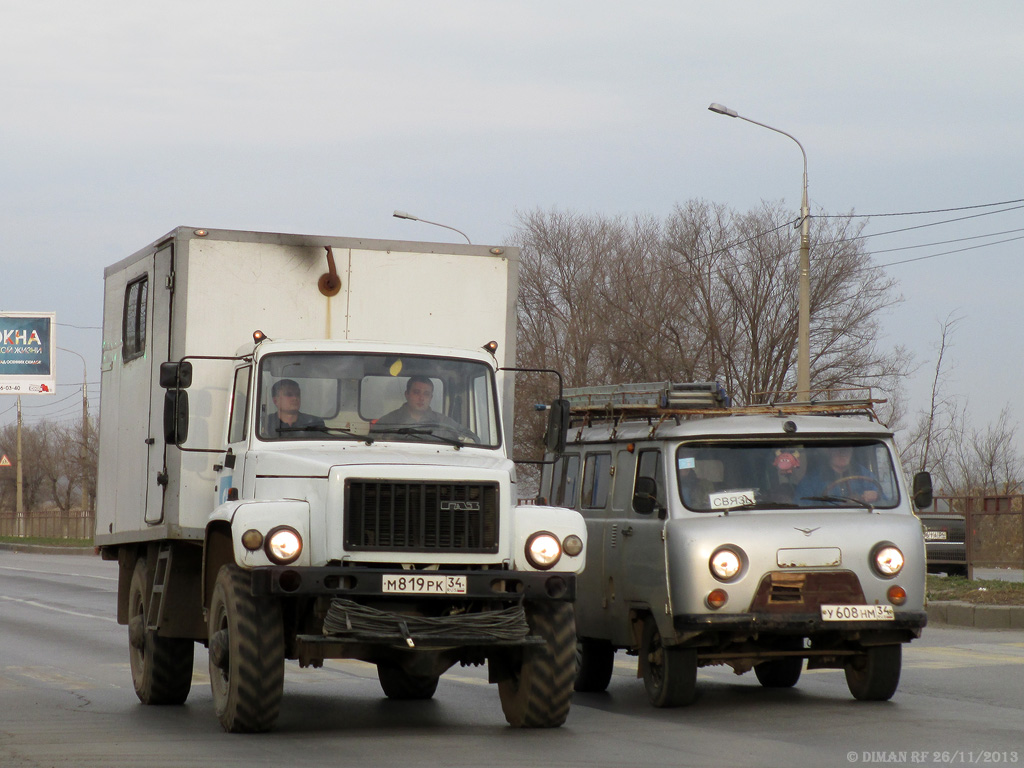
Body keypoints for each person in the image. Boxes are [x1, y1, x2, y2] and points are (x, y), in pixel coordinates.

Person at [372, 375, 463, 433]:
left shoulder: (443, 422)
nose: (421, 398)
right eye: (416, 392)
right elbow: (372, 446)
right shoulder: (387, 421)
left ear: (431, 398)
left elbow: (471, 438)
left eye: (426, 394)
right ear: (407, 394)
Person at [796, 445, 879, 504]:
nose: (842, 453)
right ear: (830, 451)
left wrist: (876, 496)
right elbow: (801, 506)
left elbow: (886, 502)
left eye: (846, 449)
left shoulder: (865, 474)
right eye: (837, 448)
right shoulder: (811, 480)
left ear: (851, 451)